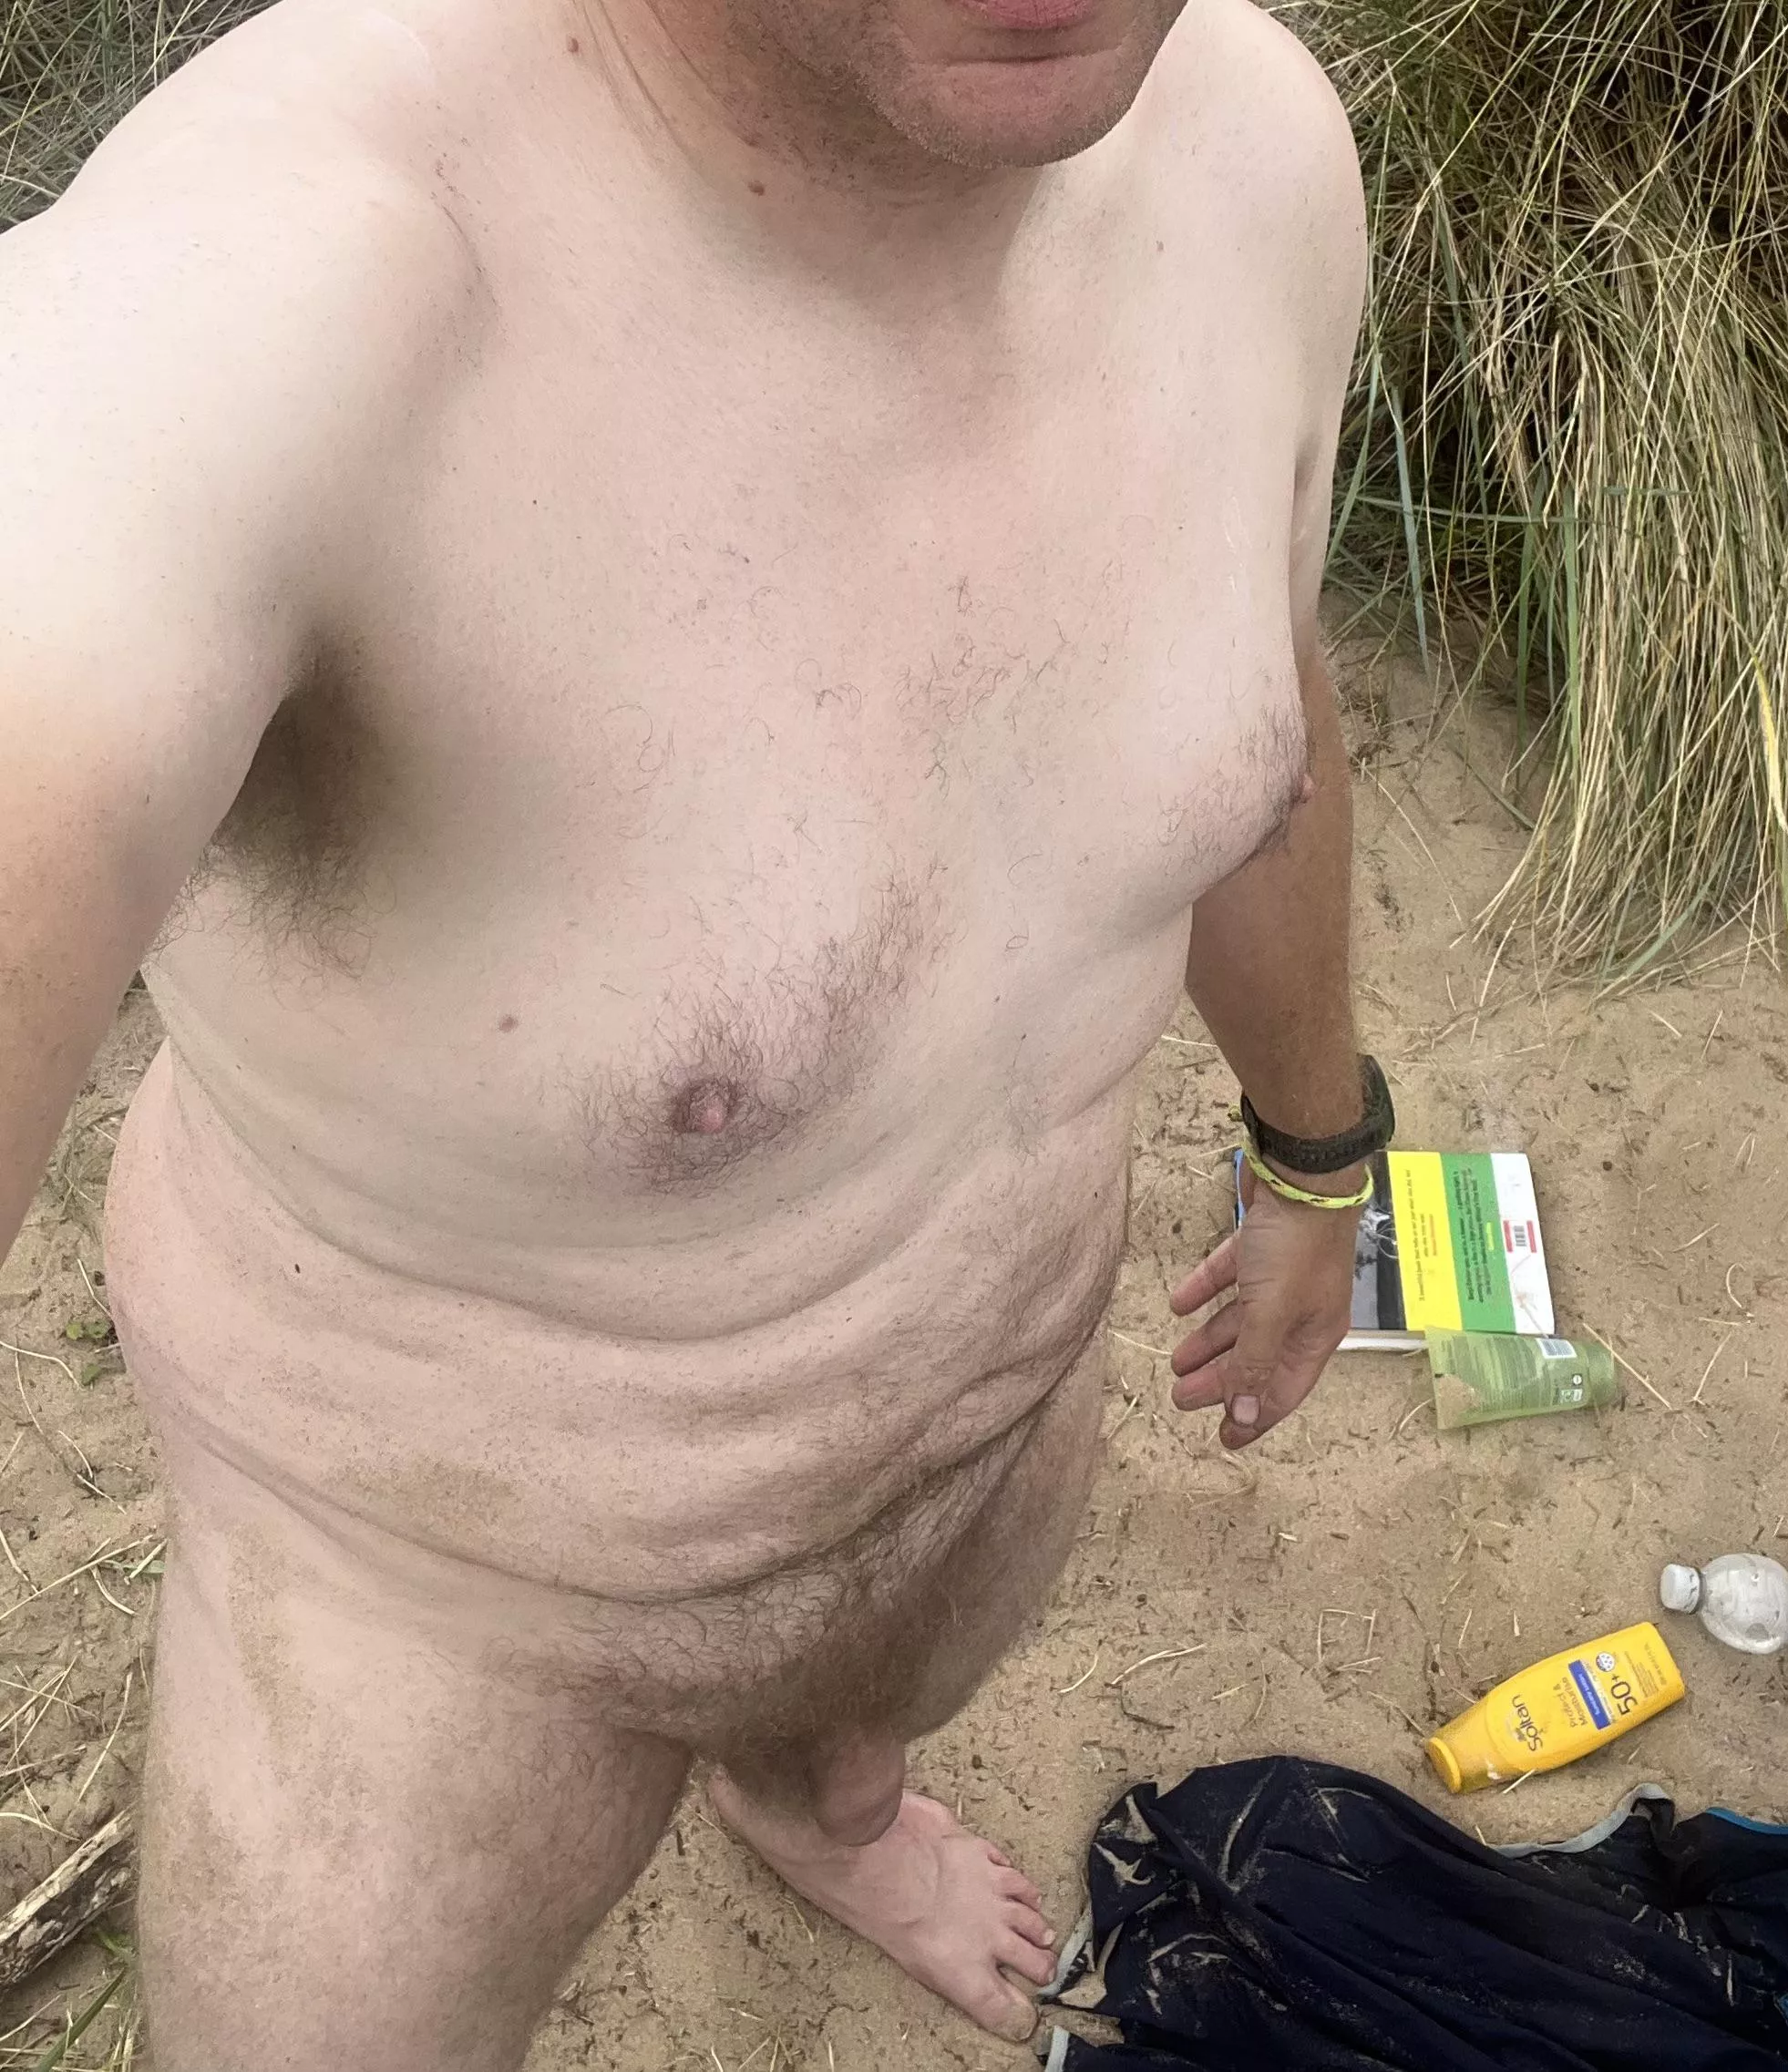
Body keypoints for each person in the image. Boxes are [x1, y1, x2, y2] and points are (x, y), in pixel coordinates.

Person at [0, 0, 1378, 2057]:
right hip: (438, 1628)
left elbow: (1261, 721)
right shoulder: (257, 308)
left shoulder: (1254, 153)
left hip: (985, 1427)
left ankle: (830, 1813)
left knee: (859, 1730)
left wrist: (1313, 1145)